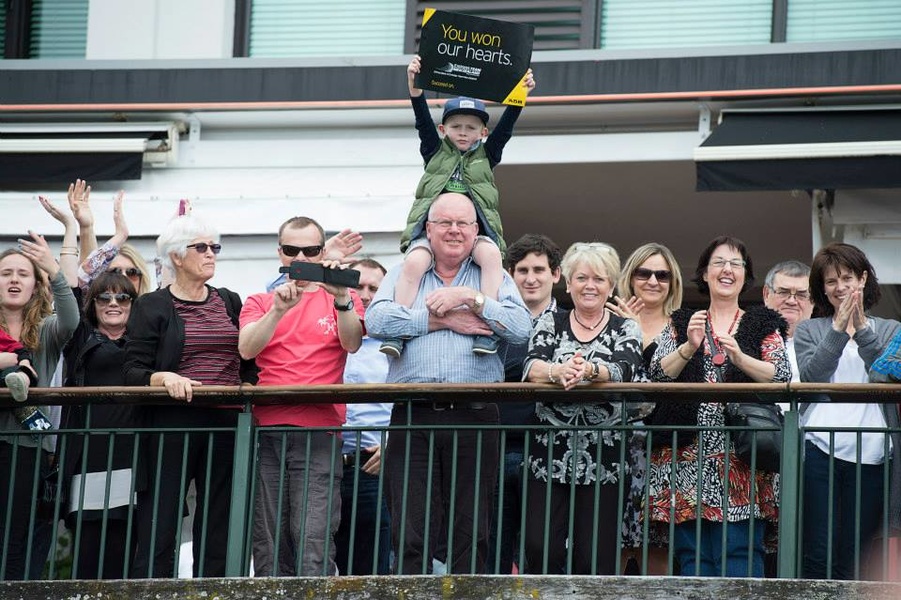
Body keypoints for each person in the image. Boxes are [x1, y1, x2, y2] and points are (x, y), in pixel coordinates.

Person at [365, 192, 531, 574]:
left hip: (475, 416)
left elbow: (521, 329)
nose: (454, 231)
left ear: (476, 232)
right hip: (414, 415)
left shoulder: (495, 277)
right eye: (445, 223)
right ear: (428, 228)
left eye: (463, 224)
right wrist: (438, 320)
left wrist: (470, 299)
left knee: (471, 530)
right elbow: (377, 322)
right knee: (410, 531)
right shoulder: (404, 271)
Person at [646, 235, 790, 578]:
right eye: (719, 263)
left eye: (736, 264)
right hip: (685, 457)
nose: (727, 270)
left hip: (742, 458)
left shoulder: (763, 323)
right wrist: (688, 348)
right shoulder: (682, 321)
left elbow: (780, 376)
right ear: (705, 274)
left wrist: (741, 357)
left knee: (740, 552)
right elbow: (656, 375)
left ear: (745, 276)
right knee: (693, 556)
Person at [124, 214, 257, 578]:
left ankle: (213, 588)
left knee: (220, 517)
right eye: (201, 247)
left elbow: (248, 360)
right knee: (162, 514)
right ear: (177, 257)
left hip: (227, 419)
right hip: (174, 418)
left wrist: (248, 385)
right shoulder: (152, 305)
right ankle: (153, 588)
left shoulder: (229, 300)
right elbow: (132, 370)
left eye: (214, 247)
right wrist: (163, 376)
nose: (211, 254)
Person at [378, 55, 535, 359]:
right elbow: (421, 121)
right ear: (443, 129)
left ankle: (486, 327)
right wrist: (415, 90)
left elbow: (507, 128)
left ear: (482, 133)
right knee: (412, 264)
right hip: (433, 231)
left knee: (491, 256)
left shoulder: (487, 156)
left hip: (472, 234)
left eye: (471, 127)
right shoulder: (434, 151)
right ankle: (399, 330)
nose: (463, 132)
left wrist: (520, 97)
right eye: (456, 126)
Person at [239, 215, 364, 577]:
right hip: (266, 429)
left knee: (313, 536)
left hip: (320, 429)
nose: (302, 257)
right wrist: (278, 309)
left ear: (322, 252)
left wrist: (341, 299)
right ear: (280, 253)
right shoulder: (261, 299)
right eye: (292, 250)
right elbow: (246, 349)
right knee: (268, 540)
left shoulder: (343, 296)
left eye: (310, 250)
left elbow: (352, 343)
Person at [521, 242, 643, 575]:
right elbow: (531, 364)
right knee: (539, 545)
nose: (590, 286)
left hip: (605, 456)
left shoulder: (625, 327)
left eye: (599, 279)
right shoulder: (550, 321)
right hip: (548, 454)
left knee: (594, 556)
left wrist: (590, 371)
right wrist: (556, 372)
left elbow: (625, 368)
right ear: (568, 283)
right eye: (582, 278)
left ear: (611, 285)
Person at [794, 242, 901, 580]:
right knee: (818, 548)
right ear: (821, 289)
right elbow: (814, 377)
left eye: (847, 278)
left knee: (856, 551)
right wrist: (839, 331)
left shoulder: (890, 329)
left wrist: (863, 330)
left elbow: (888, 372)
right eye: (830, 281)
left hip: (872, 451)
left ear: (864, 279)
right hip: (818, 447)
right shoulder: (808, 329)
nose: (840, 287)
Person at [0, 236, 80, 580]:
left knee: (13, 538)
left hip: (25, 446)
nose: (14, 280)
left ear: (36, 285)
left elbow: (72, 320)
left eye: (23, 274)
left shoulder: (46, 331)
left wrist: (54, 270)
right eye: (5, 273)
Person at [490, 233, 562, 574]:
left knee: (542, 548)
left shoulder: (570, 324)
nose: (530, 278)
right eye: (521, 270)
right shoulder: (494, 323)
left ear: (555, 275)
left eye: (539, 269)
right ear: (509, 274)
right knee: (495, 547)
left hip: (551, 449)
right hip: (498, 445)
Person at [60, 272, 141, 579]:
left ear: (133, 304)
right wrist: (76, 230)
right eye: (103, 297)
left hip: (131, 455)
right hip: (90, 453)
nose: (113, 303)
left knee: (125, 545)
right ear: (92, 304)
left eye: (122, 297)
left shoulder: (143, 341)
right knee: (88, 549)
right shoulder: (81, 335)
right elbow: (70, 288)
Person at [609, 242, 683, 575]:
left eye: (662, 275)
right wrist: (626, 331)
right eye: (644, 272)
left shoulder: (680, 327)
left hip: (662, 447)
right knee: (614, 545)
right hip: (615, 444)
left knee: (657, 546)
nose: (653, 280)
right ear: (631, 276)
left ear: (673, 282)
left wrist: (636, 333)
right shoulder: (608, 320)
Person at [334, 258, 394, 575]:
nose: (367, 294)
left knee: (369, 570)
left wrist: (395, 444)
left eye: (375, 288)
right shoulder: (328, 335)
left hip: (373, 465)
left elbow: (413, 399)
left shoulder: (395, 343)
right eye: (359, 286)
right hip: (322, 460)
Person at [761, 260, 812, 382]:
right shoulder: (746, 339)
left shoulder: (824, 343)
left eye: (801, 294)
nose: (792, 301)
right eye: (783, 292)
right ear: (766, 294)